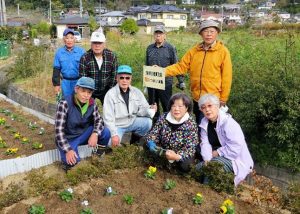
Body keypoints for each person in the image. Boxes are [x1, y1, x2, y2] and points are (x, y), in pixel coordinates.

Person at [165, 20, 232, 124]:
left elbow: (227, 76)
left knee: (211, 125)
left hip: (213, 98)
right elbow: (181, 67)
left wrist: (223, 98)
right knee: (200, 123)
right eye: (205, 31)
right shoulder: (194, 51)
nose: (209, 34)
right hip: (197, 97)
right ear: (201, 34)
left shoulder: (223, 51)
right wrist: (161, 71)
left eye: (212, 31)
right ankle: (202, 140)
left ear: (217, 33)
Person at [196, 94, 253, 186]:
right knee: (198, 169)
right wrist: (207, 159)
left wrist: (217, 153)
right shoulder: (204, 123)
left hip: (234, 158)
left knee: (212, 168)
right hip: (214, 156)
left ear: (217, 106)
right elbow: (205, 144)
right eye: (203, 107)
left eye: (210, 106)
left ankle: (206, 194)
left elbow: (235, 148)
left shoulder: (228, 123)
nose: (207, 109)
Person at [55, 77, 110, 171]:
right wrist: (68, 150)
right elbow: (59, 131)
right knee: (73, 163)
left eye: (89, 92)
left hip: (83, 134)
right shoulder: (65, 103)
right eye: (83, 91)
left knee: (105, 132)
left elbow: (99, 120)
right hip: (69, 138)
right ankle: (69, 157)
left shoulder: (92, 103)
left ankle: (97, 155)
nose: (86, 95)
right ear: (76, 89)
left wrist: (95, 133)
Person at [103, 65, 157, 147]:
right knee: (111, 144)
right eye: (121, 78)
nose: (124, 80)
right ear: (117, 79)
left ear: (131, 79)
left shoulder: (137, 92)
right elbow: (108, 118)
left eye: (127, 78)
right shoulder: (110, 94)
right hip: (118, 125)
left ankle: (135, 141)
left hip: (132, 121)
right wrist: (114, 134)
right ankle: (119, 141)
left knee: (148, 123)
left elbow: (143, 109)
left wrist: (150, 109)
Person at [145, 93, 199, 172]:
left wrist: (176, 156)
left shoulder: (191, 123)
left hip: (179, 154)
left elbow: (190, 147)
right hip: (163, 150)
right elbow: (154, 133)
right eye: (173, 106)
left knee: (187, 165)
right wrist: (151, 142)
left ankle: (174, 167)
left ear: (186, 108)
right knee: (146, 145)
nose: (176, 109)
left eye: (180, 106)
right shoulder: (164, 117)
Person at [146, 25, 185, 119]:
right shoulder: (149, 48)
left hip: (165, 83)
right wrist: (146, 81)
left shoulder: (170, 48)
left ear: (165, 35)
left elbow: (176, 65)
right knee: (153, 106)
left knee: (167, 105)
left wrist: (181, 81)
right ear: (153, 35)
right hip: (152, 82)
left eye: (160, 33)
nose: (158, 35)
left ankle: (168, 126)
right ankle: (156, 126)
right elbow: (147, 64)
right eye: (156, 33)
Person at [79, 31, 118, 104]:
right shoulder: (85, 57)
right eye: (94, 43)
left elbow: (114, 76)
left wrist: (110, 91)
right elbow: (83, 78)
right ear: (91, 44)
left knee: (111, 111)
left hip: (106, 88)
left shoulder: (112, 56)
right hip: (89, 89)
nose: (97, 46)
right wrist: (86, 93)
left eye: (99, 43)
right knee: (86, 111)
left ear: (104, 44)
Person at [52, 28, 85, 97]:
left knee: (78, 102)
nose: (69, 40)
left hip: (78, 82)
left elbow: (86, 68)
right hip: (65, 82)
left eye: (71, 38)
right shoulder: (59, 52)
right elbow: (56, 70)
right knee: (66, 102)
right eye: (67, 38)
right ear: (64, 39)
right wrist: (56, 85)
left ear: (74, 39)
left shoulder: (81, 52)